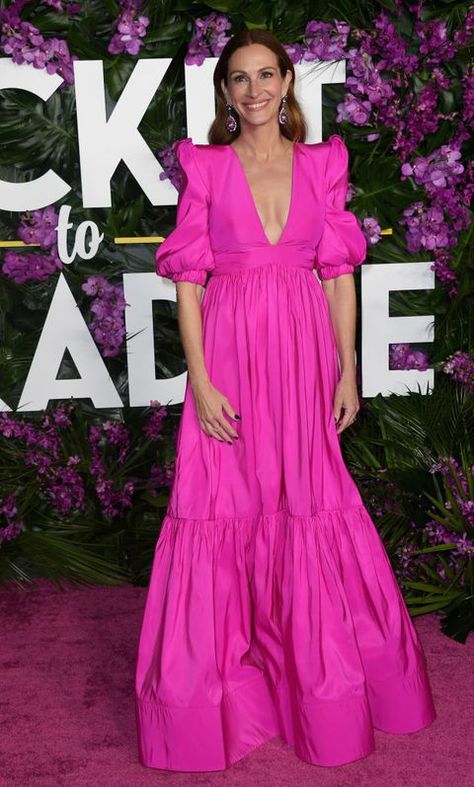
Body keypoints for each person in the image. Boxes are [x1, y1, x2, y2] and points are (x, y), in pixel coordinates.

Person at [135, 28, 436, 773]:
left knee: (307, 500)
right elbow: (187, 282)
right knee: (221, 504)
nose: (254, 90)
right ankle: (213, 704)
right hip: (230, 360)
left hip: (303, 360)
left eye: (265, 75)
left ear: (288, 80)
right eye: (239, 79)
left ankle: (321, 692)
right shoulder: (204, 166)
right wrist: (200, 380)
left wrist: (346, 371)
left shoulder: (323, 164)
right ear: (226, 94)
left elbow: (338, 275)